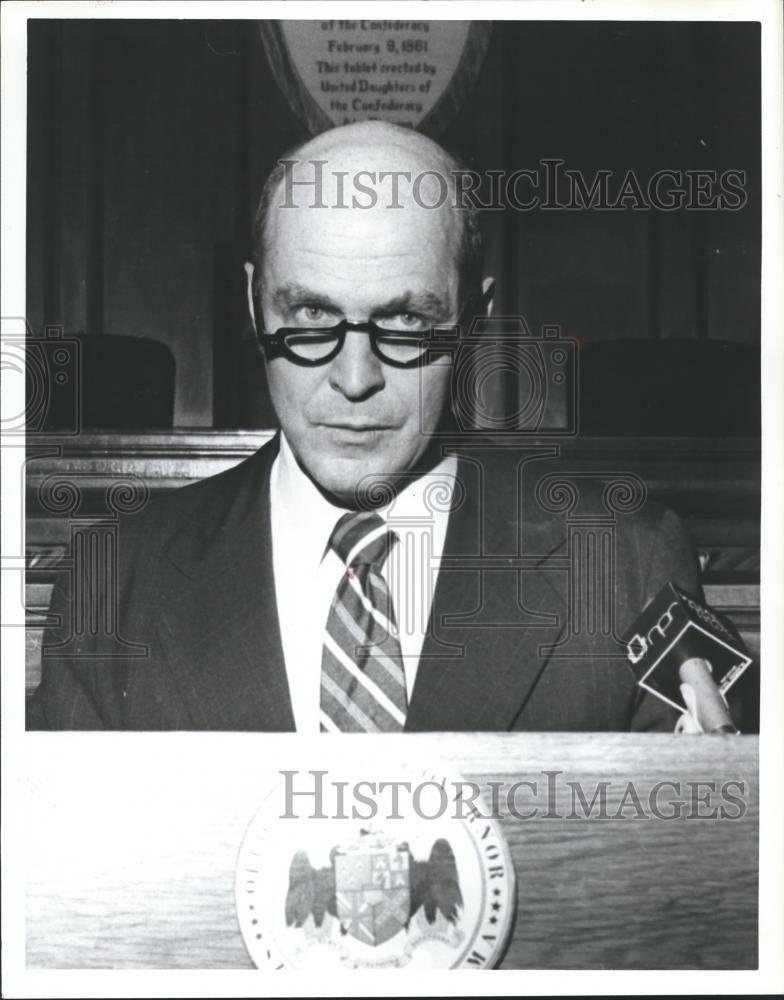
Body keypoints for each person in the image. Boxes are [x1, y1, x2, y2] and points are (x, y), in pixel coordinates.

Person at [27, 121, 701, 732]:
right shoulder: (111, 584)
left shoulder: (623, 570)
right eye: (313, 315)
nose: (354, 379)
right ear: (253, 305)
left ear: (473, 320)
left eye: (406, 320)